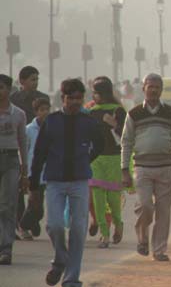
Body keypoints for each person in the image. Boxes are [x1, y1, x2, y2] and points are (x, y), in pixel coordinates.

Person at [29, 78, 104, 286]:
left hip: (80, 180)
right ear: (63, 98)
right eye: (71, 98)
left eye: (79, 98)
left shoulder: (88, 122)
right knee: (54, 226)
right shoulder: (51, 121)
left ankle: (71, 278)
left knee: (79, 230)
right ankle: (60, 258)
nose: (75, 102)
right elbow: (39, 154)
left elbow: (100, 144)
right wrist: (34, 185)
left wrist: (86, 158)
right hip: (55, 181)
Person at [121, 73, 171, 261]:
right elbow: (126, 142)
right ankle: (142, 238)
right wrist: (124, 169)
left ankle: (159, 250)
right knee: (145, 206)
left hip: (165, 167)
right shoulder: (134, 114)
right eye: (150, 86)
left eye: (157, 87)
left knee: (164, 211)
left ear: (161, 90)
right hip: (142, 167)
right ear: (144, 88)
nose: (154, 90)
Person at [87, 77, 126, 248]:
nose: (94, 96)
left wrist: (114, 124)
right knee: (98, 197)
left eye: (95, 92)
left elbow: (126, 136)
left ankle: (118, 224)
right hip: (96, 159)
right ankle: (104, 234)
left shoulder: (118, 110)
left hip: (114, 157)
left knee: (113, 197)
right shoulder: (91, 112)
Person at [0, 74, 28, 265]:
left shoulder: (18, 114)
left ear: (9, 89)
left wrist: (25, 171)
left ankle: (6, 248)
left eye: (1, 87)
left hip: (10, 160)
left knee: (8, 206)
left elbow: (22, 142)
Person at [22, 96, 50, 239]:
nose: (45, 112)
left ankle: (32, 222)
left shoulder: (52, 128)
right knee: (34, 201)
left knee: (39, 204)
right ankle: (24, 226)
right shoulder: (28, 130)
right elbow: (24, 151)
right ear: (36, 112)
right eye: (41, 110)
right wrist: (24, 172)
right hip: (33, 172)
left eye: (47, 109)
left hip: (47, 173)